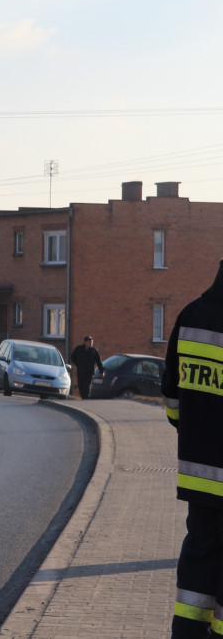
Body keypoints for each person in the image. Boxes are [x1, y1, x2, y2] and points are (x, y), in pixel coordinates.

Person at [163, 260, 223, 638]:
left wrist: (197, 430)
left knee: (199, 566)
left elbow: (171, 400)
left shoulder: (190, 316)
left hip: (200, 479)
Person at [70, 335, 105, 399]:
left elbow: (98, 361)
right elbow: (72, 357)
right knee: (81, 385)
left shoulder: (93, 351)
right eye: (89, 342)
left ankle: (86, 398)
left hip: (89, 372)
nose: (90, 343)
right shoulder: (79, 349)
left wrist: (101, 371)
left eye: (91, 342)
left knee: (87, 385)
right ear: (85, 342)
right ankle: (83, 397)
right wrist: (78, 364)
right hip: (81, 371)